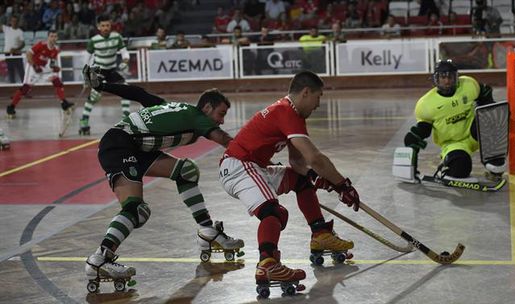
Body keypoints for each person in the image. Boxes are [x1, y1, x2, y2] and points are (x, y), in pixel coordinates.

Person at [82, 66, 244, 284]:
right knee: (136, 209)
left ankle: (208, 231)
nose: (221, 120)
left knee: (186, 171)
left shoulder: (173, 108)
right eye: (220, 114)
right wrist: (257, 156)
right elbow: (225, 140)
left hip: (133, 147)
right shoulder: (197, 117)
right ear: (207, 107)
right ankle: (100, 259)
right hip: (120, 146)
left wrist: (102, 85)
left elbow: (138, 93)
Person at [219, 70, 360, 290]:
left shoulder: (291, 114)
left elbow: (298, 164)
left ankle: (320, 234)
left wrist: (315, 177)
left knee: (300, 181)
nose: (318, 104)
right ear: (306, 92)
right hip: (239, 166)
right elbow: (315, 158)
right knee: (273, 212)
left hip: (253, 167)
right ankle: (268, 264)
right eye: (318, 96)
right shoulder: (286, 112)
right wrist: (343, 185)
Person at [403, 59, 505, 181]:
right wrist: (414, 141)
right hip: (453, 144)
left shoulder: (468, 85)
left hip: (475, 133)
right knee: (460, 169)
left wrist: (492, 114)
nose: (447, 81)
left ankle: (493, 165)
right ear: (436, 79)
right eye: (443, 77)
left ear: (456, 77)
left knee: (491, 114)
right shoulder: (426, 104)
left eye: (450, 77)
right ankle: (447, 167)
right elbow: (423, 129)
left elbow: (485, 93)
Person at [79, 14, 132, 136]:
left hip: (112, 70)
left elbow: (125, 53)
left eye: (107, 25)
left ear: (111, 25)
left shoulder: (117, 37)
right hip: (99, 70)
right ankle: (84, 120)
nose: (106, 28)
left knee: (126, 89)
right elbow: (86, 59)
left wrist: (125, 61)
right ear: (98, 27)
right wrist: (86, 76)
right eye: (103, 26)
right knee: (94, 97)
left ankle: (127, 118)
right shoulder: (93, 41)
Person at [5, 30, 74, 119]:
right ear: (48, 37)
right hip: (32, 67)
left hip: (44, 68)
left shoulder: (56, 49)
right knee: (25, 88)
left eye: (55, 36)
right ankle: (11, 107)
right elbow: (29, 54)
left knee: (57, 82)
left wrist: (55, 68)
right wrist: (34, 66)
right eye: (51, 36)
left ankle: (64, 103)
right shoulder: (41, 45)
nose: (53, 38)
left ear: (57, 38)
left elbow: (52, 63)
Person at [1, 15, 25, 84]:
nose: (14, 22)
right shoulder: (6, 29)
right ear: (10, 22)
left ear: (17, 22)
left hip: (16, 53)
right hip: (7, 53)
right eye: (12, 21)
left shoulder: (20, 31)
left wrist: (16, 49)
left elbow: (23, 44)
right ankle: (12, 86)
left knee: (21, 70)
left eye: (15, 21)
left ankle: (24, 86)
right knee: (10, 70)